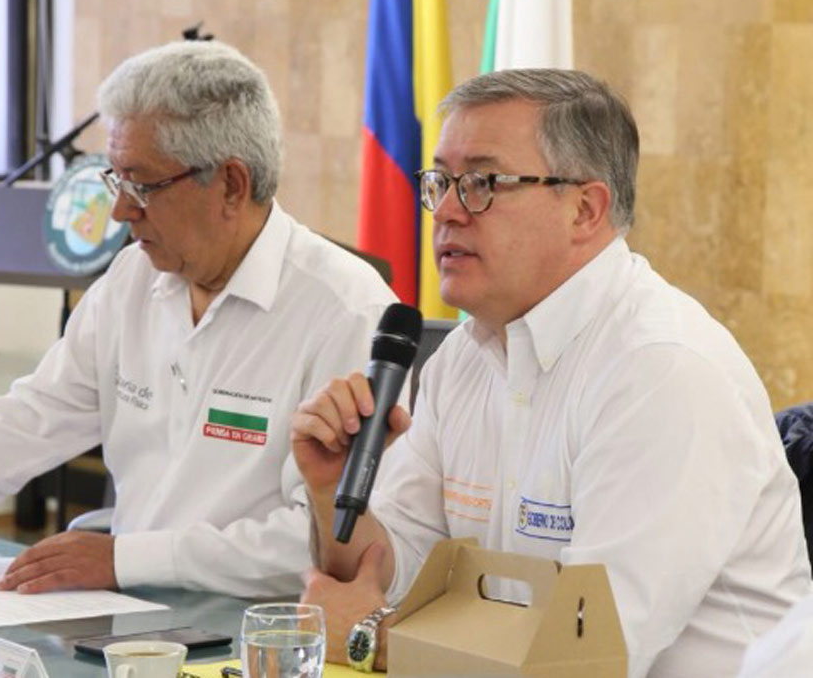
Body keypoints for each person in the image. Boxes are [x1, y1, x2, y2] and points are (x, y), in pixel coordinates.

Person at [0, 40, 398, 598]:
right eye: (115, 179)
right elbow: (22, 426)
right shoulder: (131, 280)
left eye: (141, 185)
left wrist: (124, 559)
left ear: (230, 184)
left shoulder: (345, 311)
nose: (119, 210)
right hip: (121, 610)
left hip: (255, 626)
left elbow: (327, 539)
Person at [291, 69, 812, 677]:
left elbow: (588, 656)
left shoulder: (661, 370)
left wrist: (369, 637)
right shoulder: (462, 358)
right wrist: (332, 493)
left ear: (585, 210)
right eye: (441, 182)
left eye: (483, 183)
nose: (447, 211)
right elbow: (388, 575)